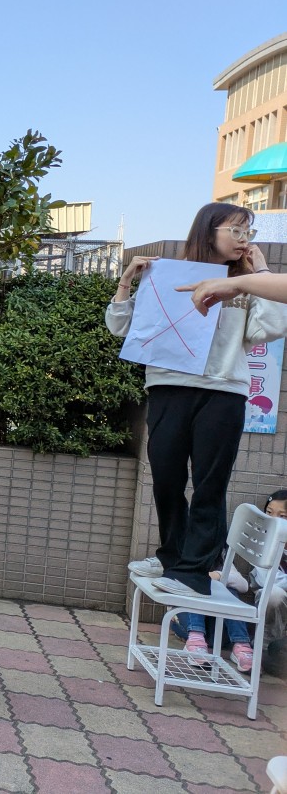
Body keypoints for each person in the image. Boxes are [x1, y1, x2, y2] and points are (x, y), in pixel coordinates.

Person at [107, 203, 287, 597]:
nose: (244, 240)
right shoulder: (167, 274)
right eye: (236, 230)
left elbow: (271, 328)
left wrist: (260, 273)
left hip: (224, 391)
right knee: (166, 478)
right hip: (168, 386)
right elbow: (123, 328)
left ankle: (194, 572)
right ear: (208, 230)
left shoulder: (243, 283)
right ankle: (172, 558)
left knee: (210, 484)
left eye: (248, 232)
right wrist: (126, 282)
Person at [252, 490, 287, 671]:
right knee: (274, 594)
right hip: (270, 599)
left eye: (283, 516)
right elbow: (266, 579)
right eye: (269, 513)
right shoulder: (260, 541)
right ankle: (263, 648)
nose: (275, 520)